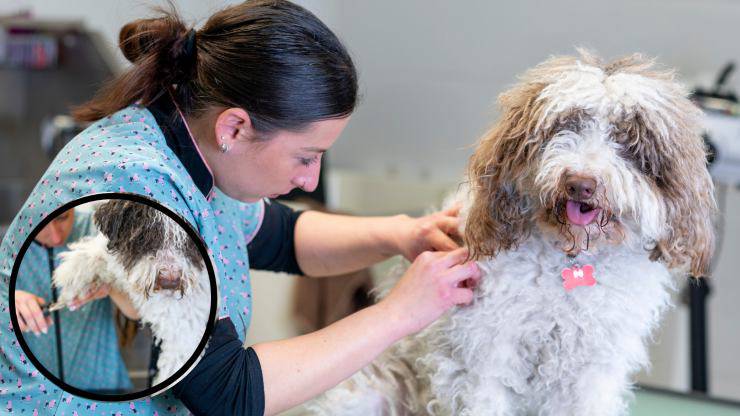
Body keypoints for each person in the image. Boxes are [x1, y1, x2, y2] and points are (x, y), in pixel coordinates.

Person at [0, 1, 481, 414]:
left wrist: (401, 234)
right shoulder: (140, 186)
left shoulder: (191, 144)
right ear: (235, 128)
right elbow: (229, 393)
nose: (310, 180)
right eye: (304, 157)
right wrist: (401, 313)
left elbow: (278, 237)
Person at [13, 206, 138, 393]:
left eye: (63, 218)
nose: (56, 237)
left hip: (103, 389)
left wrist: (110, 284)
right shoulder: (9, 244)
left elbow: (137, 311)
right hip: (32, 393)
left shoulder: (98, 227)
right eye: (40, 224)